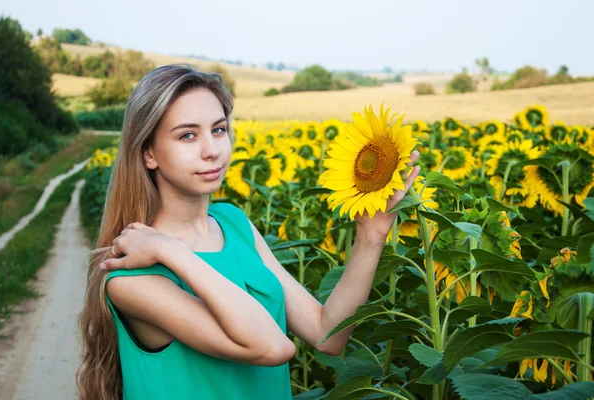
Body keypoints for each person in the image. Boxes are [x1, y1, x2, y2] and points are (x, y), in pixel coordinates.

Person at [76, 64, 420, 400]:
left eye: (219, 129)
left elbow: (327, 334)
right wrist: (171, 251)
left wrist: (370, 237)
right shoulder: (131, 277)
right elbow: (272, 346)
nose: (212, 150)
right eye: (187, 135)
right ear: (148, 152)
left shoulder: (234, 224)